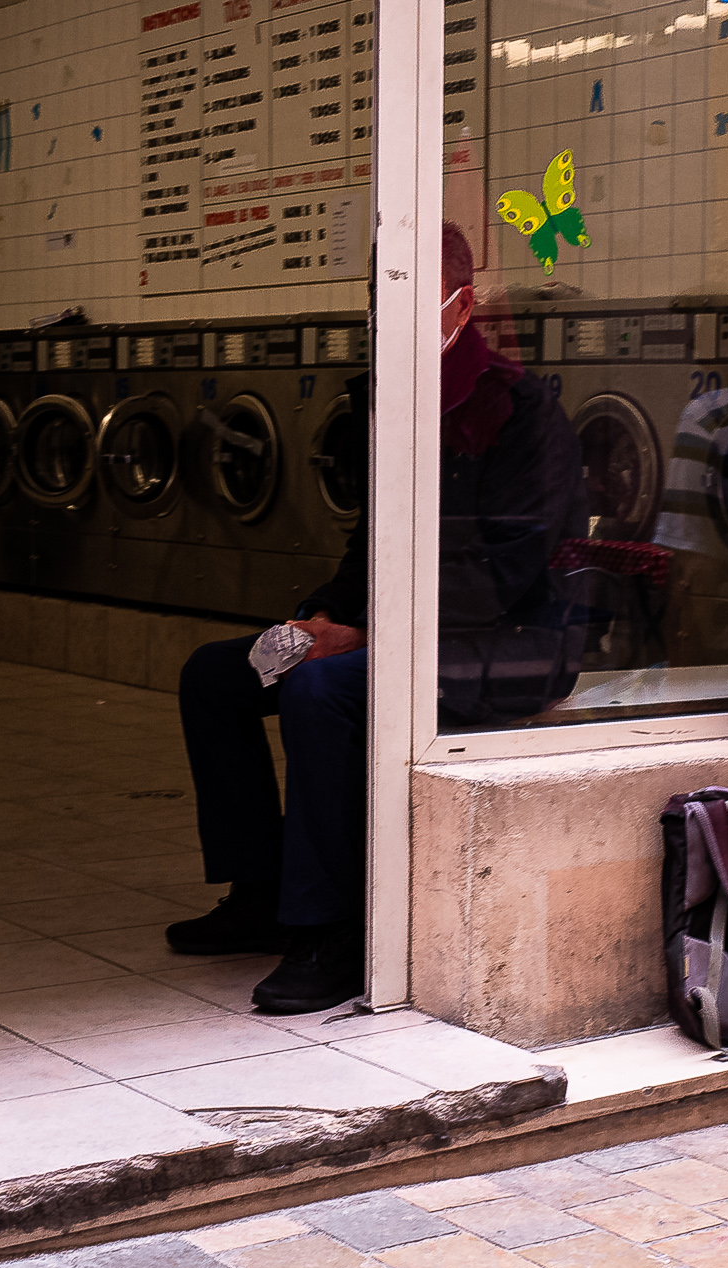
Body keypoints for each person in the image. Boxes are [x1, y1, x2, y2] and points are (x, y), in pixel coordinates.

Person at [167, 222, 587, 1014]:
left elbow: (505, 570)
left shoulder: (516, 410)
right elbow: (374, 540)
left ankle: (332, 931)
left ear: (459, 303)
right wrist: (322, 615)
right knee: (216, 676)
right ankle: (258, 891)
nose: (383, 314)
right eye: (377, 295)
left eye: (405, 293)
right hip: (398, 630)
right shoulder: (392, 397)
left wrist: (365, 637)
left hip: (505, 645)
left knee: (320, 695)